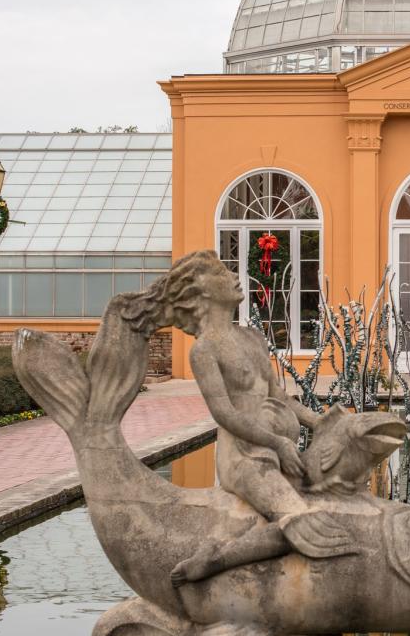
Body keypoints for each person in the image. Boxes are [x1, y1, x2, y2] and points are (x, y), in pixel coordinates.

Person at [120, 251, 356, 586]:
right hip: (245, 456)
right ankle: (216, 560)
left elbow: (279, 396)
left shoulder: (252, 337)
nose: (232, 275)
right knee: (300, 520)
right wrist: (276, 442)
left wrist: (318, 422)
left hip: (281, 446)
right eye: (220, 271)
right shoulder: (204, 350)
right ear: (202, 290)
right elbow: (225, 414)